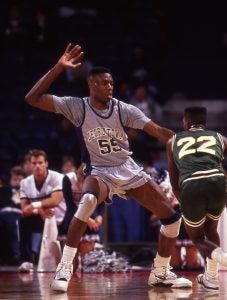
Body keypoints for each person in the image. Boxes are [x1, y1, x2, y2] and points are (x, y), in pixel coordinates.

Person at [25, 43, 192, 292]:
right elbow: (32, 98)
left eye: (112, 83)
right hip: (99, 170)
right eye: (105, 83)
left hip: (127, 167)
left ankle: (160, 271)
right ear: (92, 84)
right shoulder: (77, 106)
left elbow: (157, 131)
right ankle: (65, 268)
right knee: (88, 202)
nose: (110, 87)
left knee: (172, 218)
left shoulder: (123, 108)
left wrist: (181, 141)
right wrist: (59, 68)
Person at [166, 106, 227, 291]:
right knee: (212, 229)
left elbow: (174, 179)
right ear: (205, 123)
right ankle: (211, 277)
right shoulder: (220, 138)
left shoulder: (172, 141)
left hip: (191, 185)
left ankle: (224, 259)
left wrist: (183, 200)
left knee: (198, 237)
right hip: (218, 183)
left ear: (185, 123)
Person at [18, 149, 66, 272]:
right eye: (34, 163)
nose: (37, 166)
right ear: (29, 165)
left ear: (46, 163)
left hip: (60, 219)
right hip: (41, 218)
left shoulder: (58, 177)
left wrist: (34, 205)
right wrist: (39, 211)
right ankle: (26, 261)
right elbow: (24, 208)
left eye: (40, 162)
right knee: (23, 220)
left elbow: (55, 201)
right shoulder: (24, 183)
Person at [0, 166, 25, 265]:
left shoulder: (25, 192)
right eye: (15, 179)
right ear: (10, 180)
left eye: (20, 180)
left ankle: (16, 254)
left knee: (16, 225)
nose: (17, 182)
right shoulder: (3, 190)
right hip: (3, 213)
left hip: (17, 214)